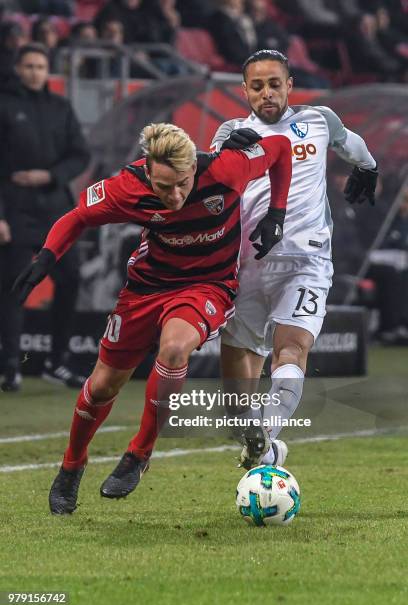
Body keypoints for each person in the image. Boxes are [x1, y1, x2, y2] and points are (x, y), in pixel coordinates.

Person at [13, 122, 292, 514]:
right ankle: (72, 463)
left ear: (194, 167)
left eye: (183, 182)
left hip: (207, 286)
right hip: (146, 288)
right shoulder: (127, 187)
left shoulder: (228, 168)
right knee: (103, 385)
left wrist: (276, 213)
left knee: (176, 349)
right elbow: (76, 217)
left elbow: (280, 148)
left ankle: (139, 454)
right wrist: (46, 257)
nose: (176, 195)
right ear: (148, 173)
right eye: (164, 187)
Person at [211, 49, 378, 469]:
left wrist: (369, 165)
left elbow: (349, 142)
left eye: (274, 84)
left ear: (289, 85)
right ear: (245, 91)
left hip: (307, 261)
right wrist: (221, 157)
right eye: (256, 86)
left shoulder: (319, 120)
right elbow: (212, 186)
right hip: (247, 266)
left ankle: (266, 439)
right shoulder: (231, 132)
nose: (266, 93)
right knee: (235, 404)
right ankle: (264, 449)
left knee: (290, 352)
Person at [0, 43, 90, 391]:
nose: (35, 71)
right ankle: (11, 366)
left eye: (40, 66)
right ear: (19, 68)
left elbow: (79, 155)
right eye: (29, 65)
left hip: (55, 207)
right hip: (14, 207)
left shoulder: (60, 107)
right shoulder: (5, 104)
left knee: (70, 279)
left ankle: (58, 361)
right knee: (14, 287)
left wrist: (49, 176)